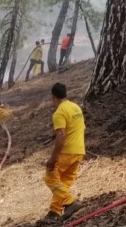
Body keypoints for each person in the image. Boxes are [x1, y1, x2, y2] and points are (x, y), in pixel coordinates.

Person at [41, 83, 85, 223]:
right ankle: (54, 212)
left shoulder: (59, 112)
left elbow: (60, 136)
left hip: (67, 152)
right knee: (63, 183)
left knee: (50, 178)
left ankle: (70, 202)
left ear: (53, 97)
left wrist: (53, 159)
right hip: (79, 151)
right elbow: (82, 128)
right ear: (66, 94)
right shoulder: (76, 107)